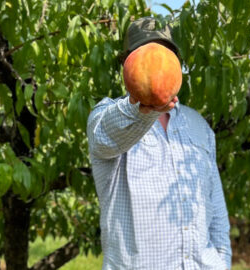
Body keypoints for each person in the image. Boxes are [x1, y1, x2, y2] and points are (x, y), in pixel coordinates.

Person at [87, 17, 231, 270]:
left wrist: (222, 261)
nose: (155, 63)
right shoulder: (106, 117)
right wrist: (143, 109)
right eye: (144, 54)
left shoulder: (198, 126)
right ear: (126, 65)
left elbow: (215, 207)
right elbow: (105, 138)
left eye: (164, 54)